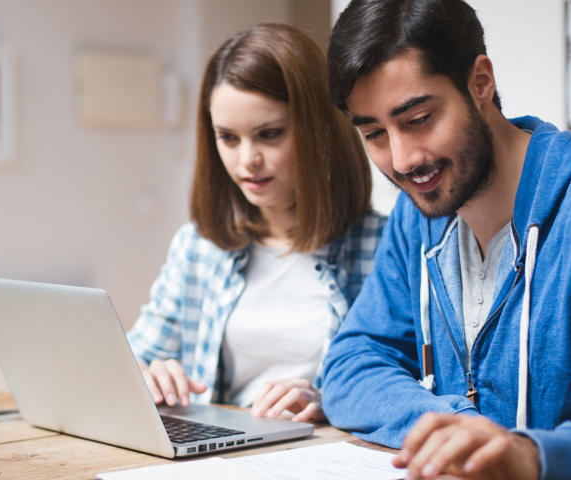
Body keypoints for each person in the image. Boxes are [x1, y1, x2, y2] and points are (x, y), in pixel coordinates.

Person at [321, 0, 571, 480]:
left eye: (419, 120)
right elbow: (350, 363)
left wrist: (528, 462)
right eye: (374, 134)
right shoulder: (419, 216)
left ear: (481, 81)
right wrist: (461, 435)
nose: (402, 159)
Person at [127, 23, 385, 423]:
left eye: (269, 134)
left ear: (319, 131)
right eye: (228, 138)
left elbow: (412, 382)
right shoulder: (198, 247)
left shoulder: (385, 247)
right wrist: (148, 376)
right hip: (220, 458)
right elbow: (135, 357)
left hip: (325, 460)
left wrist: (328, 402)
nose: (247, 160)